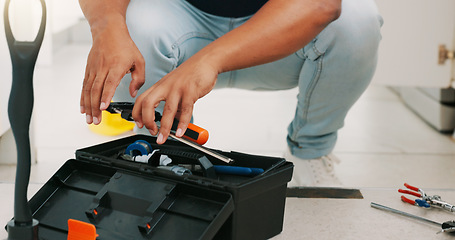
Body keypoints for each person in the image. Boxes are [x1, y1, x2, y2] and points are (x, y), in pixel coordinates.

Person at [78, 0, 383, 186]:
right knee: (133, 25)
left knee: (356, 23)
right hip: (180, 22)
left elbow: (320, 3)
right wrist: (109, 29)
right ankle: (167, 154)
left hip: (285, 31)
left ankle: (310, 154)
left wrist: (209, 60)